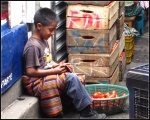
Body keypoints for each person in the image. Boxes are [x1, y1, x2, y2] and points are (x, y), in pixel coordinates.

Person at [22, 7, 106, 119]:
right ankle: (85, 113)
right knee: (70, 79)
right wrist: (54, 71)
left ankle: (76, 108)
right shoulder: (33, 46)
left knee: (74, 76)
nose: (52, 33)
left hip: (43, 75)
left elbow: (47, 61)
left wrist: (57, 65)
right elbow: (30, 71)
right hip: (35, 82)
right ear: (39, 26)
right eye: (50, 30)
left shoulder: (43, 40)